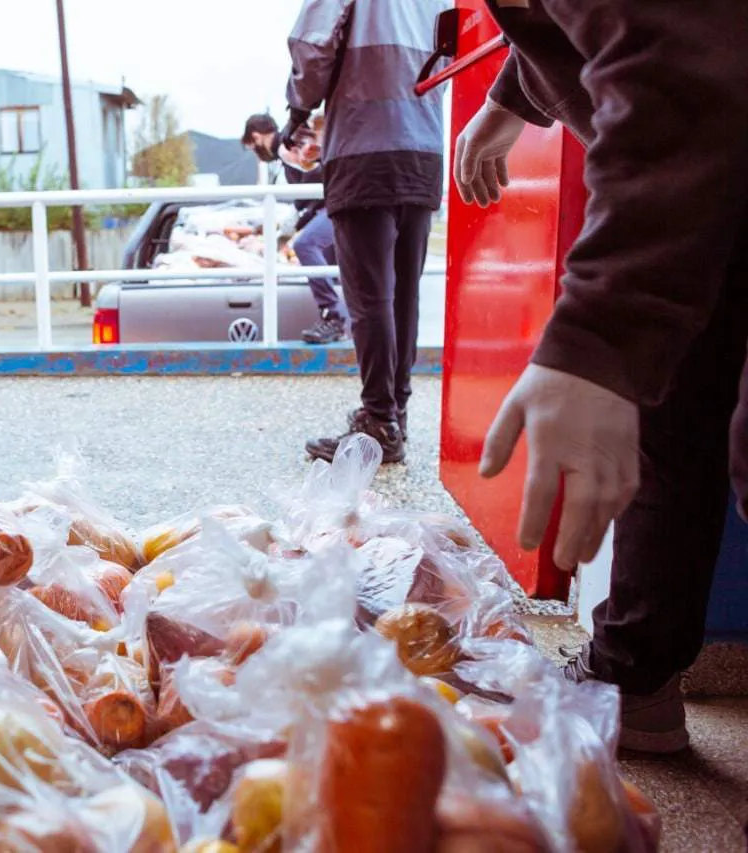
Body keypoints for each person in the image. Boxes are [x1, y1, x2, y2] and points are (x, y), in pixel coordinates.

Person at [455, 0, 748, 754]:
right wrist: (509, 99)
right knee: (667, 410)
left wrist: (596, 339)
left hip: (712, 141)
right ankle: (634, 676)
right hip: (707, 184)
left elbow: (680, 74)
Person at [284, 0, 449, 465]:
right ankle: (395, 414)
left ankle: (379, 419)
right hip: (423, 149)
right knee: (403, 296)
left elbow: (312, 46)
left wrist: (297, 109)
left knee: (369, 298)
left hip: (363, 149)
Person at [242, 113, 347, 345]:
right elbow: (306, 202)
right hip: (337, 201)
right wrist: (283, 235)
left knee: (306, 244)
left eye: (253, 148)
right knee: (326, 257)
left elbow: (310, 187)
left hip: (341, 200)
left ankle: (333, 317)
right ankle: (341, 319)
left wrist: (284, 236)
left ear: (256, 137)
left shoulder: (285, 147)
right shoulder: (289, 148)